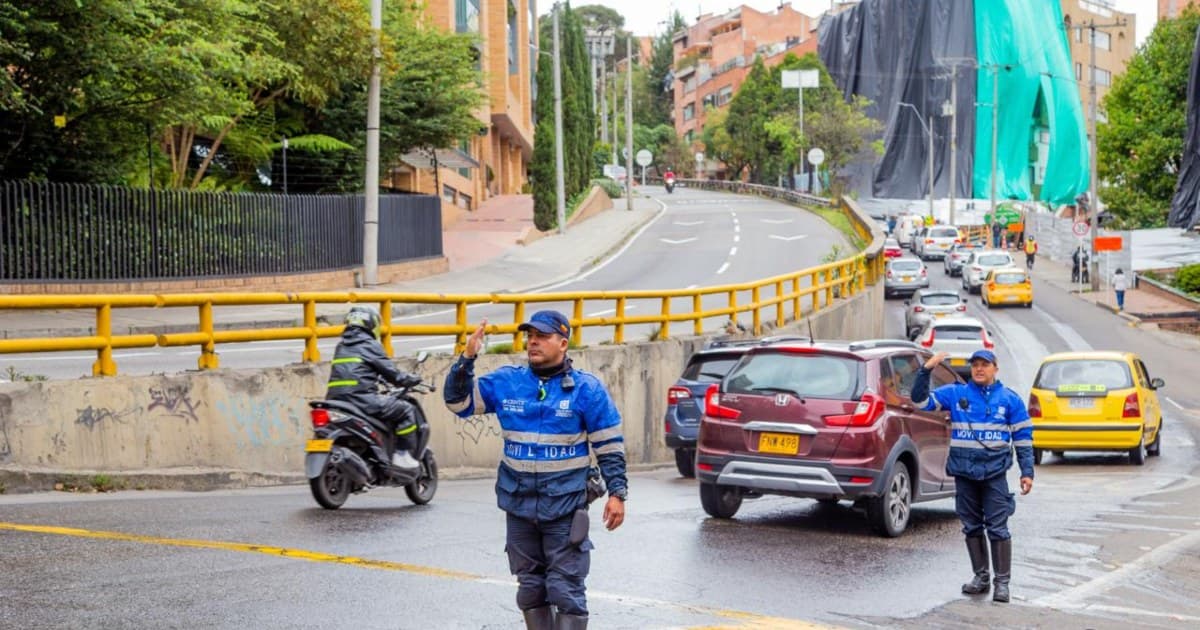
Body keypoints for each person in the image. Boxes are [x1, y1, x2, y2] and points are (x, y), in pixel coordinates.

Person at [443, 311, 628, 630]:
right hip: (519, 504)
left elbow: (609, 446)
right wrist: (467, 358)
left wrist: (618, 494)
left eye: (542, 336)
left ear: (563, 343)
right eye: (530, 336)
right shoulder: (507, 382)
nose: (533, 342)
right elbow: (458, 403)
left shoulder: (587, 390)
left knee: (565, 588)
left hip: (565, 507)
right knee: (529, 588)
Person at [910, 350, 1034, 604]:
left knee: (998, 528)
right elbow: (919, 402)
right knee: (971, 527)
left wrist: (1027, 472)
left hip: (994, 474)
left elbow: (1023, 439)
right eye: (975, 365)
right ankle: (981, 577)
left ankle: (1002, 584)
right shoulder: (956, 394)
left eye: (984, 365)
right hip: (964, 473)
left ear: (995, 369)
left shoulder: (1010, 399)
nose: (979, 369)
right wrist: (926, 370)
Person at [326, 305, 423, 470]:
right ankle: (402, 455)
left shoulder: (341, 346)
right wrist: (410, 379)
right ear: (372, 324)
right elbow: (394, 375)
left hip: (335, 401)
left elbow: (356, 371)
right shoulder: (369, 344)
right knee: (406, 410)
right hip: (362, 400)